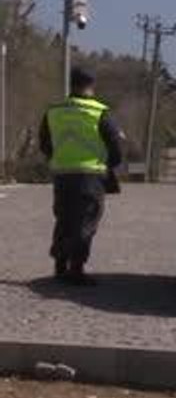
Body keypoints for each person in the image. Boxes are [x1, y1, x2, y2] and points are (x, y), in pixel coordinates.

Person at [38, 67, 125, 286]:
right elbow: (115, 146)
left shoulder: (54, 111)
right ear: (92, 85)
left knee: (64, 218)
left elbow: (44, 143)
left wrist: (57, 158)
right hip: (90, 175)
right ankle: (76, 269)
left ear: (71, 84)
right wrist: (109, 165)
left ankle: (59, 264)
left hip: (62, 174)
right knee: (85, 221)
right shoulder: (100, 112)